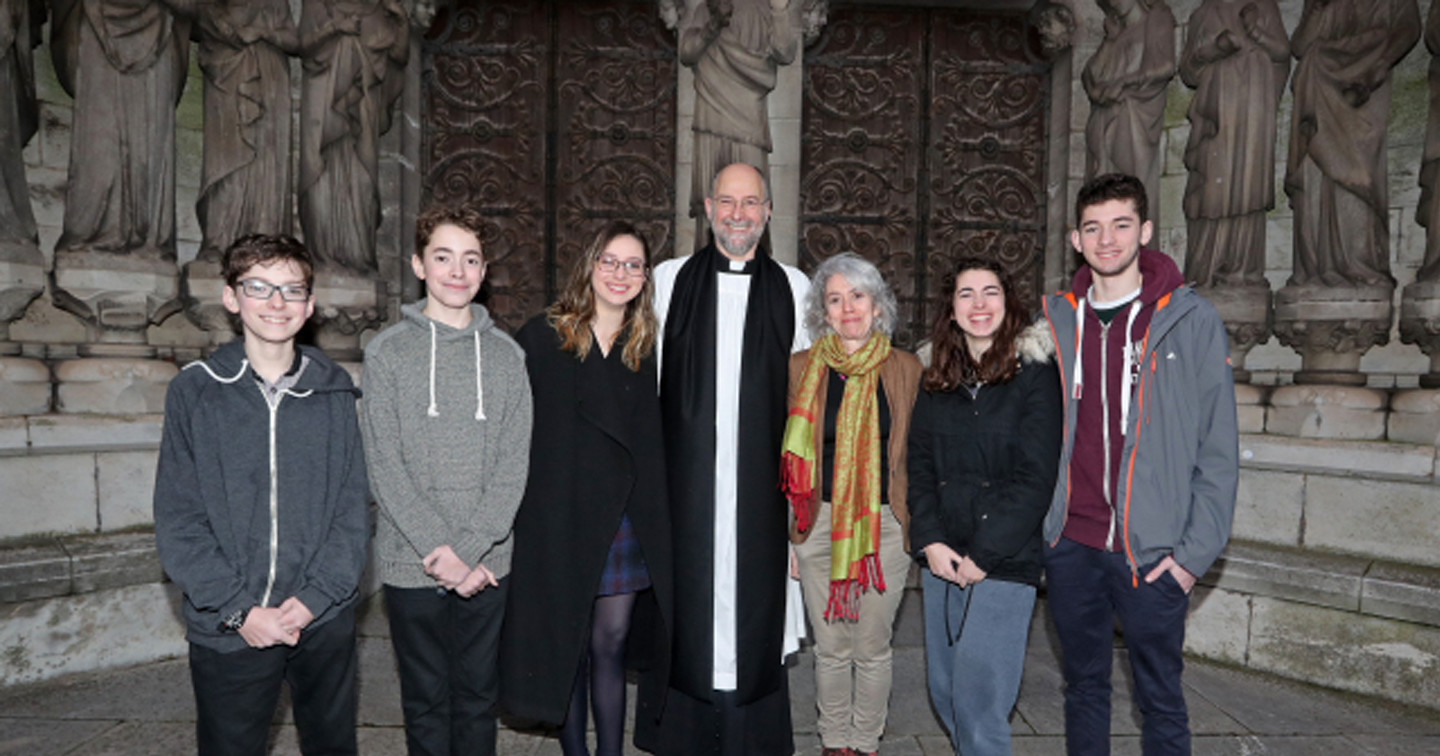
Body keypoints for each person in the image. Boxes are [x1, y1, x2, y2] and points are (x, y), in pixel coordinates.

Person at [1041, 173, 1238, 755]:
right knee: (1083, 689)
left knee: (1160, 698)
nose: (1107, 240)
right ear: (1075, 238)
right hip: (1072, 545)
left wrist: (1191, 558)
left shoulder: (1189, 320)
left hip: (1151, 553)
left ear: (1145, 231)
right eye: (1094, 228)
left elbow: (1218, 449)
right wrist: (1048, 536)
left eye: (1121, 225)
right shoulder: (1057, 322)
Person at [153, 234, 369, 756]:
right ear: (231, 297)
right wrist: (239, 611)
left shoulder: (333, 388)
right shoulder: (196, 391)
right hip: (230, 623)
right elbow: (180, 519)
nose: (277, 303)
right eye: (260, 287)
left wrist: (316, 599)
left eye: (292, 290)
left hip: (321, 617)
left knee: (331, 744)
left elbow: (351, 507)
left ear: (310, 305)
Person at [640, 162, 810, 756]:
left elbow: (808, 402)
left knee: (752, 616)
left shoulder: (794, 287)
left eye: (751, 203)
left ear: (768, 211)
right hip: (685, 487)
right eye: (727, 202)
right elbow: (641, 382)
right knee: (687, 611)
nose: (739, 214)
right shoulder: (667, 281)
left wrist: (799, 519)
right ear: (708, 208)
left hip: (762, 492)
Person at [359, 203, 533, 756]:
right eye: (443, 257)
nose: (457, 271)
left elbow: (513, 466)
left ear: (483, 272)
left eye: (471, 259)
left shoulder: (508, 359)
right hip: (413, 562)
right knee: (426, 702)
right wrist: (442, 552)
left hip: (487, 564)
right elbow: (384, 467)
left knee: (478, 699)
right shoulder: (385, 354)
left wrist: (470, 552)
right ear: (418, 265)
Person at [501, 221, 674, 756]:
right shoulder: (544, 336)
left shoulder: (646, 346)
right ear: (589, 266)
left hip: (624, 517)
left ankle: (610, 753)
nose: (620, 274)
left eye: (633, 265)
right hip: (560, 515)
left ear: (645, 278)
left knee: (611, 643)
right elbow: (518, 432)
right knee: (569, 642)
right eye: (610, 261)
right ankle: (574, 751)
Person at [907, 256, 1062, 756]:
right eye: (966, 294)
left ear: (1008, 302)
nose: (979, 304)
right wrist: (929, 539)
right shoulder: (935, 378)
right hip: (942, 557)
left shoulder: (1034, 375)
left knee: (982, 701)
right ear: (951, 309)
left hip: (1003, 558)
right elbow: (920, 466)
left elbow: (1035, 477)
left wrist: (985, 555)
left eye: (990, 292)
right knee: (947, 692)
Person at [780, 252, 922, 756]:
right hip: (818, 522)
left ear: (878, 305)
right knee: (833, 647)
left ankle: (864, 743)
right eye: (835, 299)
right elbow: (784, 456)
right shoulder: (801, 368)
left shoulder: (906, 369)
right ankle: (834, 742)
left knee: (872, 646)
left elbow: (919, 454)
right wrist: (790, 537)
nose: (847, 309)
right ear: (823, 311)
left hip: (884, 525)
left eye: (857, 296)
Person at [677, 0, 801, 246]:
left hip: (748, 122)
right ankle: (704, 266)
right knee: (709, 200)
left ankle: (759, 272)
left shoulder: (764, 9)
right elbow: (687, 53)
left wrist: (779, 10)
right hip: (711, 116)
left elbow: (785, 52)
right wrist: (713, 25)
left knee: (752, 198)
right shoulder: (707, 8)